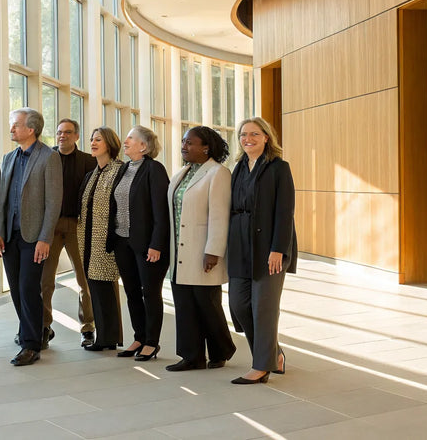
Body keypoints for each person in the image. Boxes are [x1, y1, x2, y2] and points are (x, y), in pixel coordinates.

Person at [227, 118, 297, 385]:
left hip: (269, 245)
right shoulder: (239, 168)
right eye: (243, 134)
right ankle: (274, 354)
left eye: (254, 134)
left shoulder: (279, 168)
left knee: (263, 308)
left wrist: (278, 248)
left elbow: (285, 212)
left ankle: (261, 366)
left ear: (267, 137)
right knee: (239, 304)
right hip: (240, 243)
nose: (248, 138)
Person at [0, 108, 63, 366]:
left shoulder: (49, 158)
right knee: (16, 289)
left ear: (31, 129)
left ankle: (31, 344)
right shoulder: (9, 158)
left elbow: (54, 202)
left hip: (35, 236)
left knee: (28, 288)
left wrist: (45, 238)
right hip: (10, 235)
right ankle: (29, 332)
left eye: (16, 125)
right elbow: (2, 199)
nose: (11, 129)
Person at [165, 126, 235, 372]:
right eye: (183, 142)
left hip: (202, 251)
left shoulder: (218, 173)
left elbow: (219, 215)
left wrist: (214, 250)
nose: (184, 146)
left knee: (207, 305)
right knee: (184, 306)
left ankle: (222, 350)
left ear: (206, 147)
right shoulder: (182, 173)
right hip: (179, 252)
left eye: (190, 143)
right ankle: (191, 356)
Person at [110, 126, 170, 361]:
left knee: (150, 293)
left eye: (131, 138)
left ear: (143, 146)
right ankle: (139, 337)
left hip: (147, 245)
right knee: (132, 292)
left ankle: (152, 343)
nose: (125, 141)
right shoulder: (125, 169)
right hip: (122, 242)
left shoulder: (154, 170)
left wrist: (157, 244)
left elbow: (161, 212)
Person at [42, 118, 98, 348]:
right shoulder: (47, 158)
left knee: (84, 279)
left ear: (76, 136)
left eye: (67, 132)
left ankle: (87, 328)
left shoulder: (88, 161)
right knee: (45, 280)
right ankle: (44, 326)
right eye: (59, 132)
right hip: (51, 227)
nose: (62, 136)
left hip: (78, 226)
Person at [77, 127, 125, 352]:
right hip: (87, 238)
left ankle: (109, 337)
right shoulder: (93, 172)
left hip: (107, 239)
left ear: (110, 144)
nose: (93, 143)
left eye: (99, 139)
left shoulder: (119, 171)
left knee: (104, 286)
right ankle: (105, 336)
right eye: (92, 139)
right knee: (94, 286)